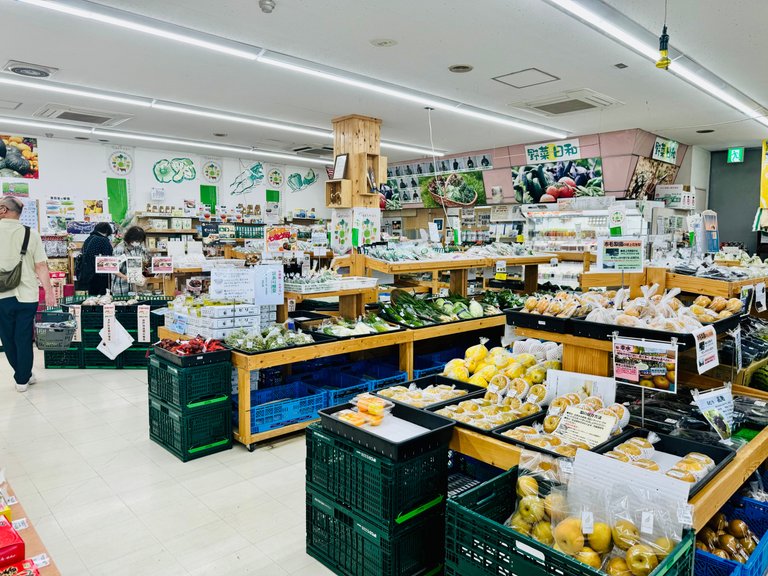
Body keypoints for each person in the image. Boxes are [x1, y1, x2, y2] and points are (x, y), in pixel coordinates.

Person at [0, 196, 56, 392]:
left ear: (3, 210)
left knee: (7, 338)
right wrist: (49, 292)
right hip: (28, 295)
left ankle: (21, 375)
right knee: (23, 337)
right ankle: (23, 377)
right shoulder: (30, 234)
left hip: (2, 296)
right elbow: (40, 266)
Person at [78, 222, 114, 296]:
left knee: (93, 297)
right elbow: (108, 257)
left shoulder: (89, 238)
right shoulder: (103, 240)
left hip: (87, 273)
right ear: (107, 231)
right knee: (102, 298)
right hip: (100, 275)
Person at [112, 226, 149, 296]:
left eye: (140, 241)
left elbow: (140, 262)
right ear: (130, 238)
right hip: (122, 286)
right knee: (123, 305)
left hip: (136, 286)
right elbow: (113, 268)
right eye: (137, 240)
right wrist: (126, 277)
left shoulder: (138, 247)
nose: (138, 243)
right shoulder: (120, 248)